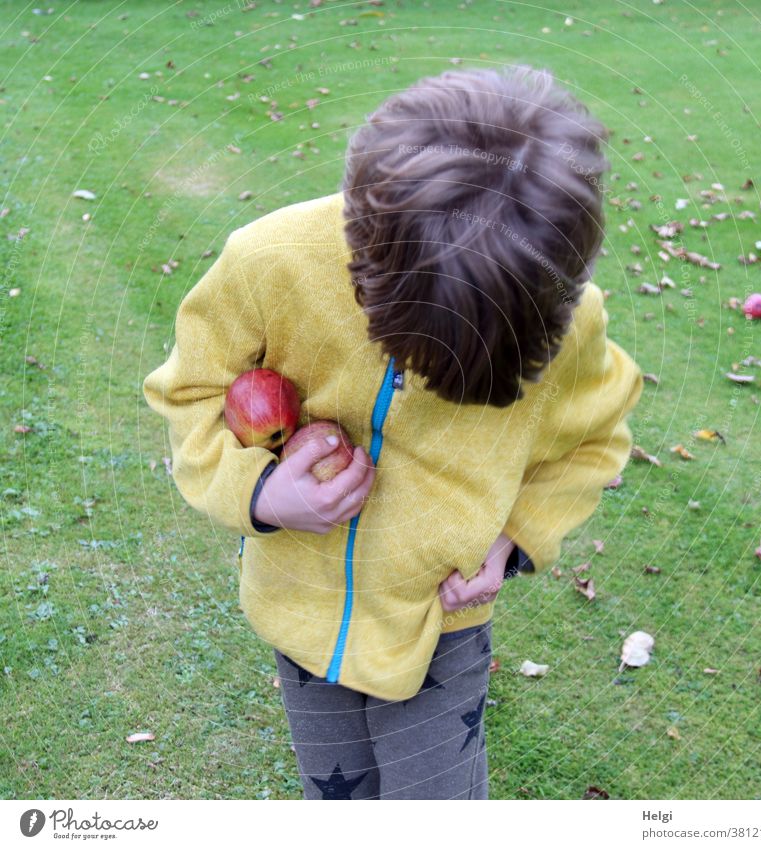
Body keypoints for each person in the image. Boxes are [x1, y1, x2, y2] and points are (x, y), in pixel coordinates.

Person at [142, 65, 644, 799]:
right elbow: (188, 392)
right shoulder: (267, 265)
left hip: (442, 626)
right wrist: (262, 494)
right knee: (338, 800)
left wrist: (515, 539)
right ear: (367, 263)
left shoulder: (563, 321)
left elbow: (595, 440)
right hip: (300, 612)